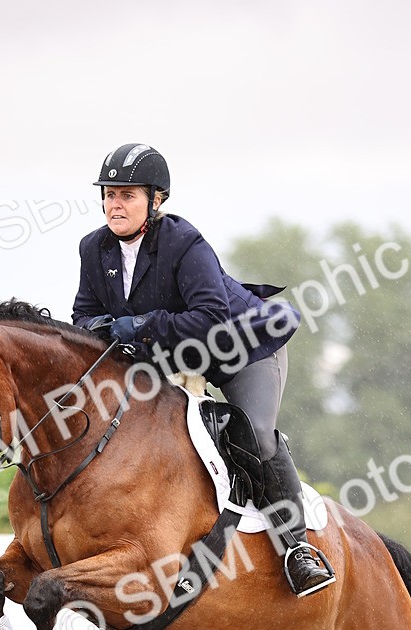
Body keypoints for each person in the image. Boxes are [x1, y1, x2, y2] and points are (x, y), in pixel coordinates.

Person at [72, 142, 335, 597]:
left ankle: (298, 549)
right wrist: (94, 327)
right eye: (110, 195)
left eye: (128, 195)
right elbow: (83, 313)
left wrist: (142, 325)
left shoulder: (183, 242)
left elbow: (211, 318)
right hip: (174, 358)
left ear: (156, 200)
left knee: (255, 434)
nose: (116, 204)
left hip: (241, 348)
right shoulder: (94, 249)